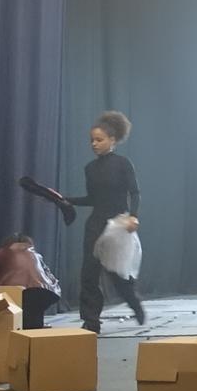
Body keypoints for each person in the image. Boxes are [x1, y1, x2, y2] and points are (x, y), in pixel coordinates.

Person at [66, 111, 145, 333]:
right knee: (89, 274)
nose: (94, 144)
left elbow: (135, 192)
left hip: (118, 226)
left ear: (113, 140)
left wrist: (134, 216)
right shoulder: (90, 169)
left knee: (117, 275)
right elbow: (93, 199)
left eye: (99, 140)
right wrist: (67, 200)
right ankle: (91, 321)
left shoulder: (123, 164)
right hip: (95, 225)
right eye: (92, 140)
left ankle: (134, 303)